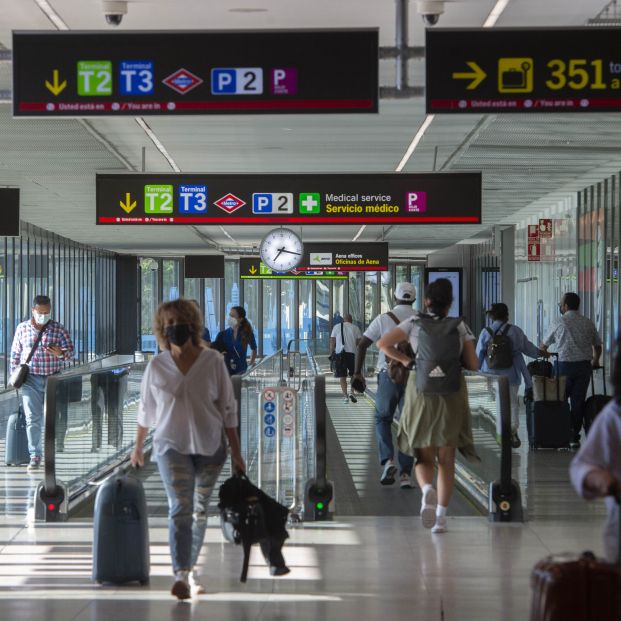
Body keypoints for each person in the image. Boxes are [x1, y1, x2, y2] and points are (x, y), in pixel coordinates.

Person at [130, 299, 245, 600]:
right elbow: (146, 410)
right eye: (167, 324)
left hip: (210, 446)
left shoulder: (212, 362)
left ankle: (191, 570)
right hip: (170, 446)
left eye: (178, 322)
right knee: (180, 508)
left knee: (198, 510)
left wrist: (237, 453)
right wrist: (138, 447)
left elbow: (228, 409)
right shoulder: (157, 366)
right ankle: (181, 573)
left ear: (192, 326)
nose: (173, 328)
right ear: (161, 329)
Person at [378, 278, 479, 534]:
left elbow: (383, 344)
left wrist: (407, 361)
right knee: (447, 459)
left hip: (420, 392)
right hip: (452, 394)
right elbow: (473, 364)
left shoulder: (413, 323)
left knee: (423, 455)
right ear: (450, 303)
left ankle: (426, 490)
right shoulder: (460, 326)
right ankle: (441, 518)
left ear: (426, 301)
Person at [352, 282, 417, 488]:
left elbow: (362, 344)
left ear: (395, 297)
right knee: (409, 424)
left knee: (382, 418)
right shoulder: (421, 320)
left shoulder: (384, 318)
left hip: (387, 374)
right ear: (413, 299)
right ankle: (406, 475)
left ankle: (389, 460)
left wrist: (357, 373)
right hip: (414, 377)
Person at [570, 335, 621, 562]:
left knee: (574, 402)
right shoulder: (615, 414)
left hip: (568, 367)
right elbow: (582, 465)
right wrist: (599, 478)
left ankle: (572, 430)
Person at [9, 295, 74, 470]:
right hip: (30, 379)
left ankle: (52, 452)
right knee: (32, 418)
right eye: (40, 312)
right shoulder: (22, 328)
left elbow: (71, 353)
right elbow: (15, 355)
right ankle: (35, 455)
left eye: (47, 313)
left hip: (53, 378)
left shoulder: (58, 329)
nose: (43, 316)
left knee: (53, 418)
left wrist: (60, 353)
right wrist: (13, 376)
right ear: (33, 310)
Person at [476, 302, 545, 448]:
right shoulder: (515, 331)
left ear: (492, 316)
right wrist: (540, 353)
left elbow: (479, 355)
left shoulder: (486, 332)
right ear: (507, 315)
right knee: (512, 404)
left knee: (493, 405)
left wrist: (476, 373)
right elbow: (527, 348)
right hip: (511, 374)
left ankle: (498, 433)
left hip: (490, 375)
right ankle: (512, 431)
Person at [541, 292, 603, 448]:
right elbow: (597, 345)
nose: (560, 306)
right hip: (583, 367)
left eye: (561, 304)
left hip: (564, 366)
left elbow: (543, 346)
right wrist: (595, 360)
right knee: (578, 401)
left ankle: (561, 432)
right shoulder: (587, 322)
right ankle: (574, 437)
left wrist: (547, 353)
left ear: (566, 306)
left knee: (559, 401)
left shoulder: (559, 322)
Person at [213, 306, 257, 375]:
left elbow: (254, 349)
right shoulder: (223, 334)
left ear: (240, 319)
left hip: (242, 371)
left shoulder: (247, 333)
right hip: (226, 371)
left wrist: (251, 364)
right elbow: (215, 351)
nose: (230, 318)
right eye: (230, 315)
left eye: (233, 316)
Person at [330, 313, 362, 403]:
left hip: (340, 354)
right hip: (352, 354)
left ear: (343, 320)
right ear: (351, 320)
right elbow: (360, 343)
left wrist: (332, 353)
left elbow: (332, 341)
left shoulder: (336, 327)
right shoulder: (355, 328)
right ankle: (352, 392)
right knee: (353, 375)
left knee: (342, 376)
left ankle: (345, 396)